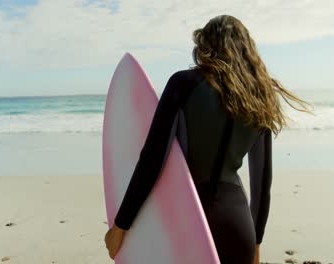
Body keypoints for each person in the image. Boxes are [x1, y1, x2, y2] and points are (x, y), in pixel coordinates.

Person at [104, 15, 310, 264]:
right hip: (239, 226)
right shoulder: (261, 98)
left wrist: (121, 225)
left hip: (191, 222)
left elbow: (152, 159)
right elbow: (262, 184)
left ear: (204, 45)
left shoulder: (184, 84)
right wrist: (256, 242)